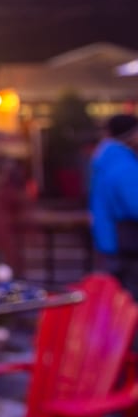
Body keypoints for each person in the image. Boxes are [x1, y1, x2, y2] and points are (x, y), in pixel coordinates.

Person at [88, 113, 138, 298]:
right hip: (129, 245)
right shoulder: (124, 164)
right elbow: (135, 205)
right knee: (131, 299)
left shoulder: (106, 160)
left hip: (111, 242)